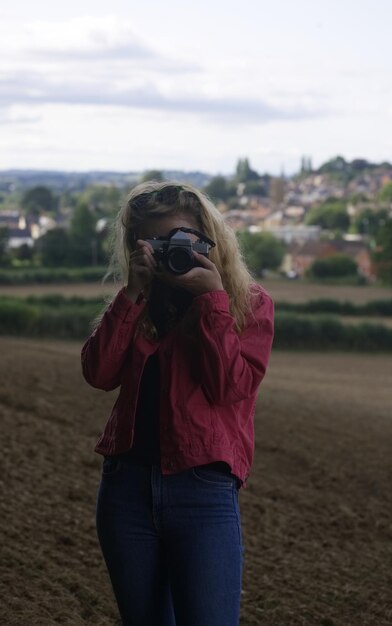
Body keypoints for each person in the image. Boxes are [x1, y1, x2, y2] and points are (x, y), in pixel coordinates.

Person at [81, 182, 274, 626]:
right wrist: (132, 293)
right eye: (151, 241)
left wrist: (211, 301)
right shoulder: (138, 300)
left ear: (208, 238)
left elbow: (230, 387)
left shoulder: (249, 304)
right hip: (125, 490)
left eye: (178, 240)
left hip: (203, 493)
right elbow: (98, 373)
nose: (168, 251)